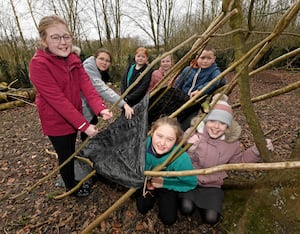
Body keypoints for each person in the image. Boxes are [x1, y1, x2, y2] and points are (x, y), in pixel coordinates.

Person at [29, 15, 113, 197]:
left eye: (66, 36)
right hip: (56, 122)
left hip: (74, 116)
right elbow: (57, 100)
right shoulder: (38, 65)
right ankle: (70, 186)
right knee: (66, 155)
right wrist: (83, 125)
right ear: (44, 40)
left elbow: (86, 85)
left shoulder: (73, 58)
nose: (63, 42)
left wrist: (100, 108)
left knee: (72, 150)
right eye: (55, 37)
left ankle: (72, 179)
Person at [179, 94, 274, 230]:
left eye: (222, 123)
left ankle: (204, 205)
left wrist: (256, 150)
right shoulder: (193, 134)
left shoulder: (231, 143)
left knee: (211, 218)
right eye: (213, 121)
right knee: (186, 208)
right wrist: (190, 149)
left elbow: (239, 161)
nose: (216, 127)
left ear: (228, 126)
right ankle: (189, 202)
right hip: (190, 179)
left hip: (212, 184)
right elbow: (180, 161)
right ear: (206, 121)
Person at [136, 117, 197, 225]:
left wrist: (165, 182)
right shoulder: (142, 145)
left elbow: (191, 183)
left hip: (167, 184)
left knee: (168, 219)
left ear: (176, 141)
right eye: (159, 136)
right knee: (142, 208)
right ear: (152, 132)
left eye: (169, 139)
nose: (162, 143)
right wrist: (147, 181)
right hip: (144, 180)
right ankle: (151, 195)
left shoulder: (180, 157)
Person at [81, 48, 134, 141]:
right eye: (101, 59)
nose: (104, 62)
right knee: (86, 131)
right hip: (79, 106)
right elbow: (102, 89)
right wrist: (123, 104)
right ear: (94, 58)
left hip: (88, 106)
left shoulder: (95, 69)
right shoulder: (88, 69)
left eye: (107, 61)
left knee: (91, 127)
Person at [174, 45, 226, 130]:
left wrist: (200, 90)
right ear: (197, 58)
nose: (205, 61)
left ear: (214, 59)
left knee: (187, 125)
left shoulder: (214, 71)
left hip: (196, 103)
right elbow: (178, 84)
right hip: (182, 101)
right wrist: (176, 97)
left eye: (209, 58)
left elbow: (219, 80)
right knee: (178, 122)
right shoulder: (188, 69)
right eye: (202, 58)